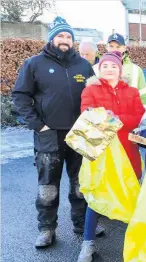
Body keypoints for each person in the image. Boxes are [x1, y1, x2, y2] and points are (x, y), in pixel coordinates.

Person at [12, 16, 102, 248]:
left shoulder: (83, 65)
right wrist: (38, 125)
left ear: (73, 41)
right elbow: (20, 97)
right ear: (52, 39)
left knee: (80, 183)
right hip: (48, 134)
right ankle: (47, 228)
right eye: (60, 36)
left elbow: (96, 96)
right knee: (48, 185)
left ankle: (82, 224)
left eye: (68, 36)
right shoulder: (34, 63)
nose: (64, 40)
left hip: (80, 134)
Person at [77, 51, 145, 262]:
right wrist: (116, 120)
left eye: (113, 66)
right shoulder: (90, 90)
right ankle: (87, 243)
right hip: (102, 154)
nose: (109, 69)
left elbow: (140, 116)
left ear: (120, 70)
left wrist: (113, 118)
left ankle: (137, 242)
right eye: (105, 66)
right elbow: (88, 115)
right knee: (96, 197)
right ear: (99, 69)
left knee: (132, 194)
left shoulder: (132, 91)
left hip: (128, 152)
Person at [93, 33, 146, 108]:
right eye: (111, 46)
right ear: (106, 47)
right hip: (103, 116)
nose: (114, 49)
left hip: (129, 115)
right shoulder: (95, 68)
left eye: (118, 47)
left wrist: (142, 116)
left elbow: (143, 96)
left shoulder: (136, 70)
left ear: (124, 48)